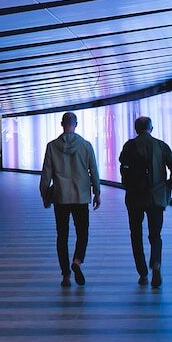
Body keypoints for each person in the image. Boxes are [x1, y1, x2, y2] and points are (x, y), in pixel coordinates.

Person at [119, 116, 172, 287]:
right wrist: (169, 185)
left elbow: (123, 166)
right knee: (155, 235)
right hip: (156, 197)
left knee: (136, 235)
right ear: (151, 128)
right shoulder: (161, 145)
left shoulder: (129, 145)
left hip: (134, 197)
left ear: (136, 129)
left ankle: (143, 273)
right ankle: (156, 264)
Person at [40, 112, 100, 286]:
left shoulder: (52, 146)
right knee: (83, 232)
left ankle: (66, 276)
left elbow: (46, 174)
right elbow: (94, 171)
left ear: (61, 124)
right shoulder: (86, 146)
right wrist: (97, 192)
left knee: (62, 236)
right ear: (76, 124)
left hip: (61, 197)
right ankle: (77, 261)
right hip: (81, 197)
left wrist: (45, 194)